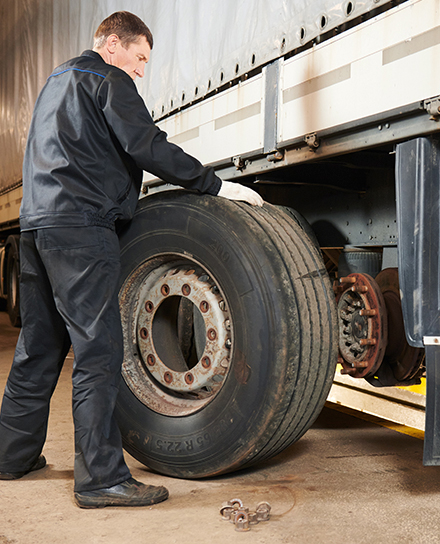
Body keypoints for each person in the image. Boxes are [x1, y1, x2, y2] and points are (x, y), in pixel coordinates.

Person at [0, 12, 263, 508]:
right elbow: (146, 145)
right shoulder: (107, 79)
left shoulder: (57, 80)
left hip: (36, 227)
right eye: (140, 57)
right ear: (113, 44)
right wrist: (214, 184)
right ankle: (100, 479)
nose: (141, 70)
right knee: (98, 352)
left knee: (39, 345)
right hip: (81, 227)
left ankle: (10, 456)